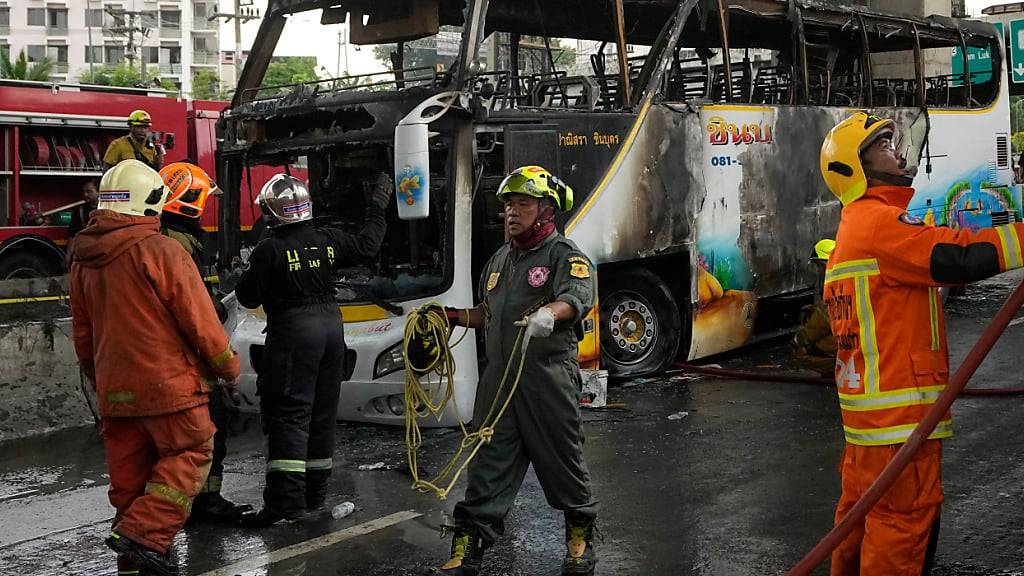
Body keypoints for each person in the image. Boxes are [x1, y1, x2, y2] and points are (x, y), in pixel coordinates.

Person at [820, 112, 1024, 576]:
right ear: (856, 168)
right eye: (883, 147)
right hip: (900, 425)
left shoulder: (857, 227)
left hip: (872, 428)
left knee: (858, 521)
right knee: (901, 526)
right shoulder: (879, 224)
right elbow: (961, 256)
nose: (897, 153)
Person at [69, 159, 240, 576]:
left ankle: (133, 562)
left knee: (131, 485)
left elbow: (84, 336)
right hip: (170, 388)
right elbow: (200, 322)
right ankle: (145, 538)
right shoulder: (162, 251)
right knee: (193, 450)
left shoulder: (82, 260)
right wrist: (228, 369)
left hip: (117, 392)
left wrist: (101, 378)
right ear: (147, 203)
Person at [430, 166, 599, 576]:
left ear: (546, 210)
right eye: (508, 204)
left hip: (547, 379)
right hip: (500, 382)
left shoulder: (565, 255)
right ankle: (466, 550)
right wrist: (449, 316)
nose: (511, 212)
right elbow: (487, 315)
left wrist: (550, 313)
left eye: (522, 203)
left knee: (563, 463)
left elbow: (576, 298)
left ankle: (580, 538)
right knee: (487, 465)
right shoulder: (499, 260)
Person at [234, 172, 393, 526]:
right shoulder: (328, 239)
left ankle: (285, 504)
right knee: (322, 414)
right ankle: (313, 497)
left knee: (289, 416)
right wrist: (378, 208)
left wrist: (247, 268)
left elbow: (247, 296)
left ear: (270, 213)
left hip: (293, 333)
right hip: (332, 330)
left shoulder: (269, 250)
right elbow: (368, 246)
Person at [158, 161, 251, 523]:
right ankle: (203, 504)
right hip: (188, 357)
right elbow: (193, 305)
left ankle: (197, 503)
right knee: (210, 429)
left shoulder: (175, 237)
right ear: (190, 201)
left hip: (178, 356)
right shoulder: (176, 243)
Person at [791, 238, 837, 374]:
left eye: (818, 266)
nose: (818, 271)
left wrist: (799, 340)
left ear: (825, 264)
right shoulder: (847, 280)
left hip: (842, 344)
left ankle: (836, 369)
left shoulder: (834, 287)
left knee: (800, 352)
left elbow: (822, 321)